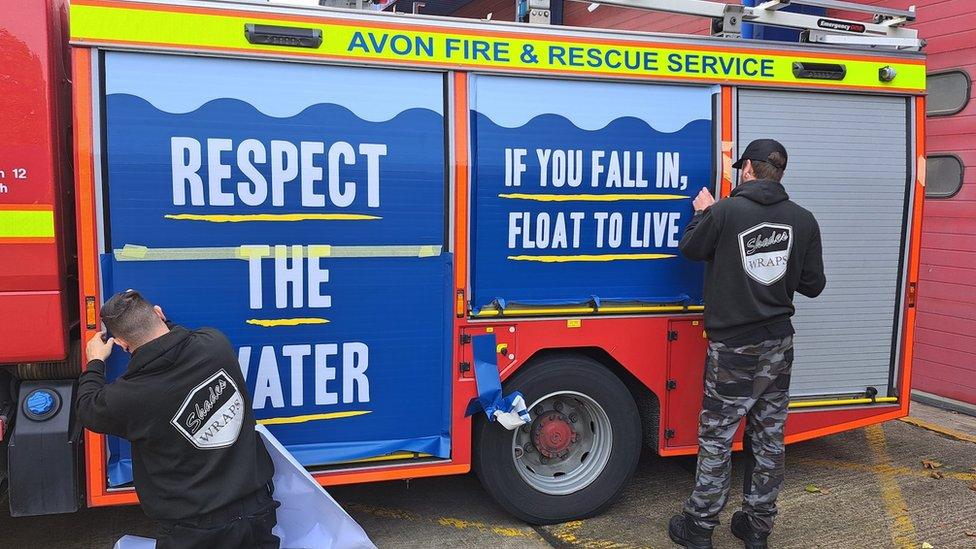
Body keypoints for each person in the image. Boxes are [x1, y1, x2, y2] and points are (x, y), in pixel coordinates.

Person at [667, 139, 826, 549]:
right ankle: (756, 529)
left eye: (742, 168)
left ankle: (699, 527)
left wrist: (701, 215)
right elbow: (813, 285)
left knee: (717, 436)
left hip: (734, 347)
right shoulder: (804, 220)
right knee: (769, 437)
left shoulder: (723, 211)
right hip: (778, 344)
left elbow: (690, 249)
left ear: (751, 169)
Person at [77, 290, 279, 549]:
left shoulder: (127, 397)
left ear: (122, 344)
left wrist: (95, 362)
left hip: (194, 529)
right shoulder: (216, 344)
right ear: (160, 314)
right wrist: (157, 321)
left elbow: (87, 407)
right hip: (257, 510)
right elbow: (181, 338)